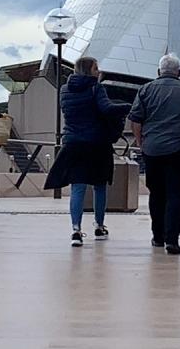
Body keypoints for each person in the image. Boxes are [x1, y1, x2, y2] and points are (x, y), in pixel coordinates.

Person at [44, 57, 129, 247]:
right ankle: (99, 226)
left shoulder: (64, 90)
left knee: (78, 186)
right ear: (88, 71)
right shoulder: (95, 88)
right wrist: (128, 106)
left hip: (73, 142)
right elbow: (106, 109)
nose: (99, 71)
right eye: (96, 68)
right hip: (97, 143)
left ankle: (76, 230)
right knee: (100, 185)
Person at [130, 54, 180, 255]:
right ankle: (172, 240)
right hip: (179, 149)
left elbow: (136, 120)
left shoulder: (145, 90)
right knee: (175, 193)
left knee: (156, 193)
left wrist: (141, 143)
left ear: (158, 72)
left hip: (153, 150)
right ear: (179, 73)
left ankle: (158, 236)